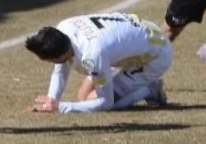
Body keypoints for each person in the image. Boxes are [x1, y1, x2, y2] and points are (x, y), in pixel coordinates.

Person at [24, 12, 171, 114]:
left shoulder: (91, 55)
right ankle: (124, 78)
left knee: (102, 104)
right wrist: (50, 101)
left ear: (61, 55)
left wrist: (60, 107)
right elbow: (60, 70)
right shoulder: (63, 29)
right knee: (83, 98)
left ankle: (150, 89)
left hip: (155, 56)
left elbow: (105, 101)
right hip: (144, 34)